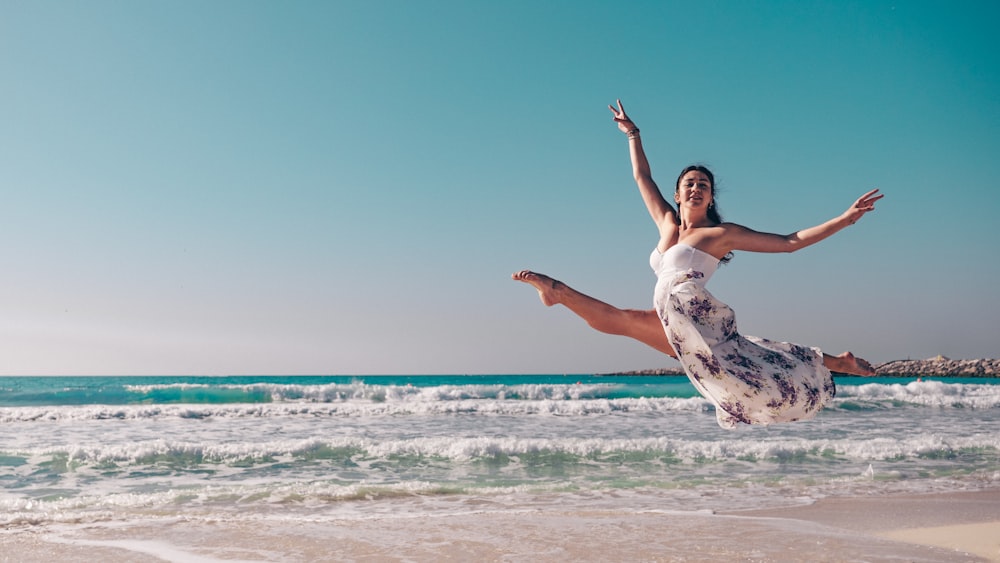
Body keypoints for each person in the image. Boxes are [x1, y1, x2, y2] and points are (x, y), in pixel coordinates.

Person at [513, 100, 883, 428]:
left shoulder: (720, 234)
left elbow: (790, 242)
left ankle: (557, 292)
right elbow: (642, 177)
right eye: (689, 183)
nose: (695, 188)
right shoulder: (667, 223)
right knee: (621, 321)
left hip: (693, 316)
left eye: (703, 185)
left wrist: (845, 218)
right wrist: (633, 134)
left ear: (710, 197)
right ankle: (556, 293)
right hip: (671, 317)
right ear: (677, 194)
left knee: (749, 356)